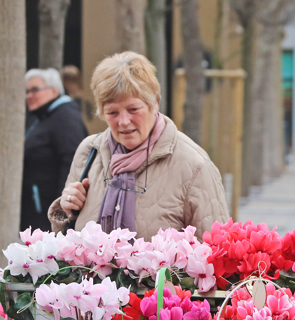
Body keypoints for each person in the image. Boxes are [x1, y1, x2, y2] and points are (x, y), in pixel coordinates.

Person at [48, 51, 228, 238]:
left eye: (133, 109)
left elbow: (215, 252)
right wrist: (67, 210)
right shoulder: (89, 151)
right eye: (112, 113)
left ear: (155, 103)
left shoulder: (194, 165)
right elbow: (66, 245)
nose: (124, 121)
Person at [22, 68, 87, 232]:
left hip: (49, 214)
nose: (29, 95)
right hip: (35, 210)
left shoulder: (65, 118)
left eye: (35, 90)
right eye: (27, 91)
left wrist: (61, 208)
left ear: (53, 90)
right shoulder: (42, 116)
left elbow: (74, 162)